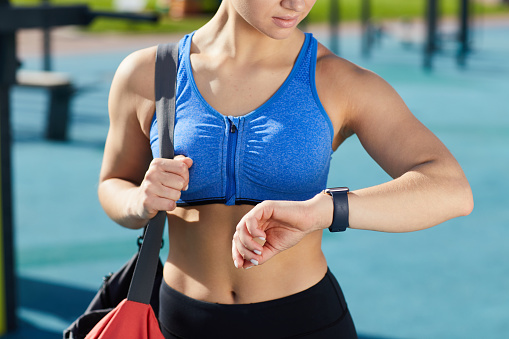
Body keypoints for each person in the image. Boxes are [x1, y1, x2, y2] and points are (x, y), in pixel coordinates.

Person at [98, 0, 474, 337]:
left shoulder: (338, 80)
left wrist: (324, 210)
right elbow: (113, 183)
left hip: (305, 322)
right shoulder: (149, 73)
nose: (296, 3)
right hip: (179, 322)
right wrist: (139, 201)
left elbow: (451, 189)